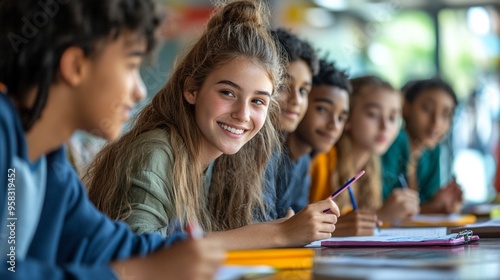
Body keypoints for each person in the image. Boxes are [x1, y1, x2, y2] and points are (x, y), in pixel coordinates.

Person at [85, 0, 340, 249]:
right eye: (228, 93)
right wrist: (278, 234)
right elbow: (141, 253)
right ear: (192, 89)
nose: (242, 114)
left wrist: (282, 232)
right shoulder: (156, 152)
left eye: (258, 101)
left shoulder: (231, 161)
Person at [0, 1, 224, 279]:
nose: (140, 91)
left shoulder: (51, 166)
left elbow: (105, 246)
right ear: (76, 66)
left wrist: (187, 253)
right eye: (131, 66)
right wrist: (141, 272)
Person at [310, 75, 420, 234]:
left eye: (392, 117)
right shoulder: (321, 161)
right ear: (347, 117)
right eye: (373, 114)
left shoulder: (371, 167)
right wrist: (381, 215)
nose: (385, 126)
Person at [274, 57, 351, 218]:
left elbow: (297, 220)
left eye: (341, 118)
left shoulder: (303, 161)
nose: (334, 125)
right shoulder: (270, 155)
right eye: (322, 109)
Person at [382, 77, 462, 214]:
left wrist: (440, 203)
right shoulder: (394, 142)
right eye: (427, 109)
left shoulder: (432, 152)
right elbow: (385, 209)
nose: (436, 122)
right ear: (406, 107)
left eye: (446, 115)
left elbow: (422, 206)